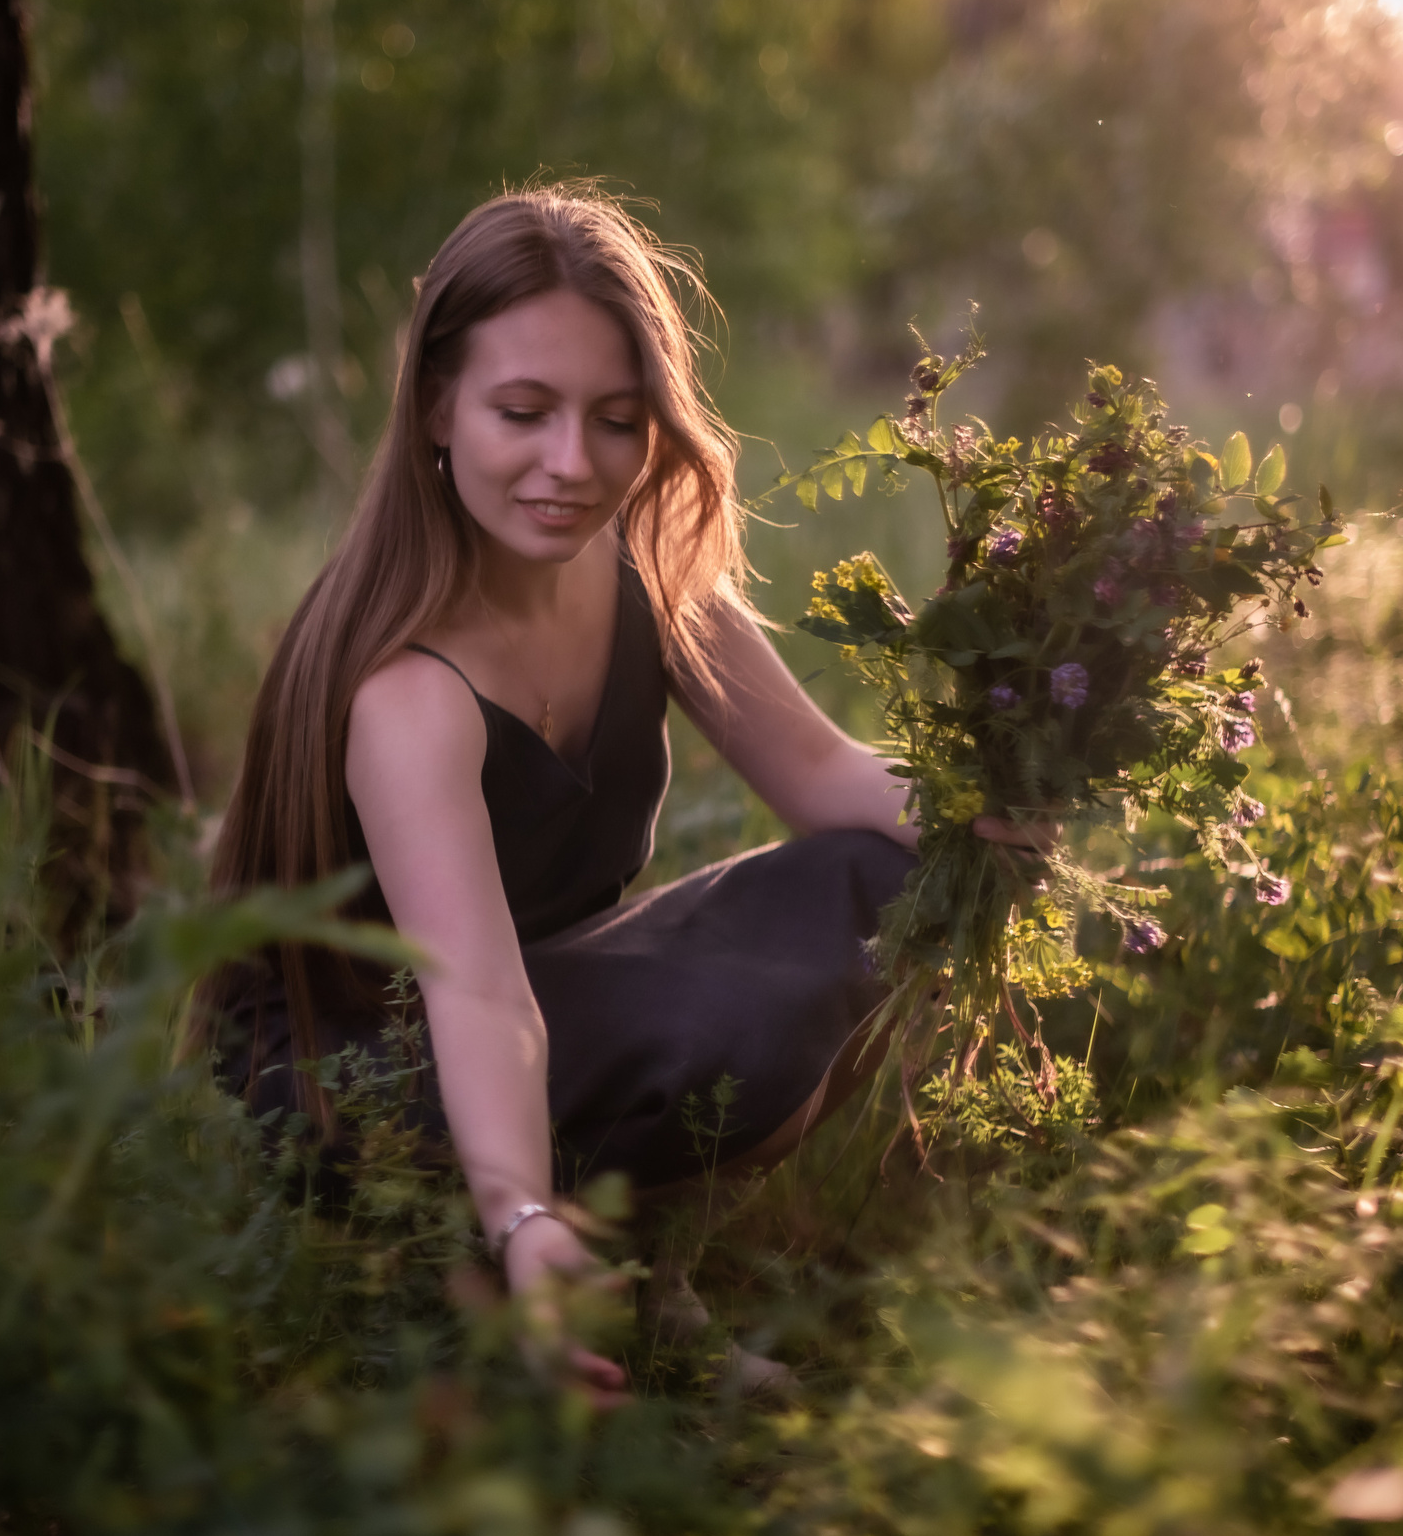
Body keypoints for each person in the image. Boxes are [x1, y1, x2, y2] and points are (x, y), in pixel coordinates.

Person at [203, 186, 1040, 1400]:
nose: (570, 464)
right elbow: (478, 995)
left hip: (542, 993)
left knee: (886, 885)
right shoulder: (409, 691)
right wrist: (518, 1202)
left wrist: (977, 807)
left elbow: (820, 775)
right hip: (360, 1068)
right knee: (717, 1028)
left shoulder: (648, 569)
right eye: (522, 411)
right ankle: (483, 1262)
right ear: (437, 402)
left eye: (614, 418)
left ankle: (622, 1257)